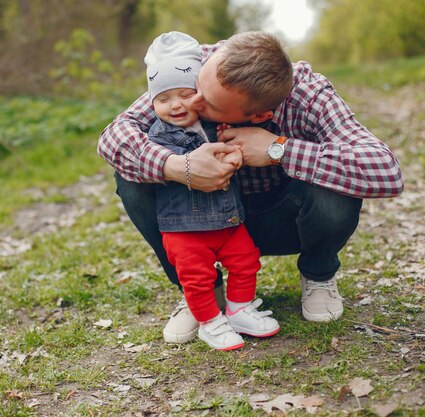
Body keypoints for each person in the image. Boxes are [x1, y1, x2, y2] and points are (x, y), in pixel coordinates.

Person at [98, 31, 404, 344]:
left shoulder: (309, 95)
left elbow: (386, 169)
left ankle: (318, 273)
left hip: (283, 220)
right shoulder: (194, 64)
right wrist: (179, 168)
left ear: (259, 115)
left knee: (338, 183)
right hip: (199, 222)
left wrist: (280, 150)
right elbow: (114, 135)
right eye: (197, 87)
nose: (192, 101)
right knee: (132, 175)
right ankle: (203, 292)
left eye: (210, 103)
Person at [142, 31, 279, 350]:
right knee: (197, 278)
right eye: (163, 99)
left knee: (247, 260)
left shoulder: (214, 122)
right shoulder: (160, 134)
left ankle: (240, 308)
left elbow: (233, 146)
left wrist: (235, 153)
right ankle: (208, 322)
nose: (175, 105)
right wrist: (186, 163)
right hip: (185, 228)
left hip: (229, 221)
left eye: (184, 94)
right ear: (152, 103)